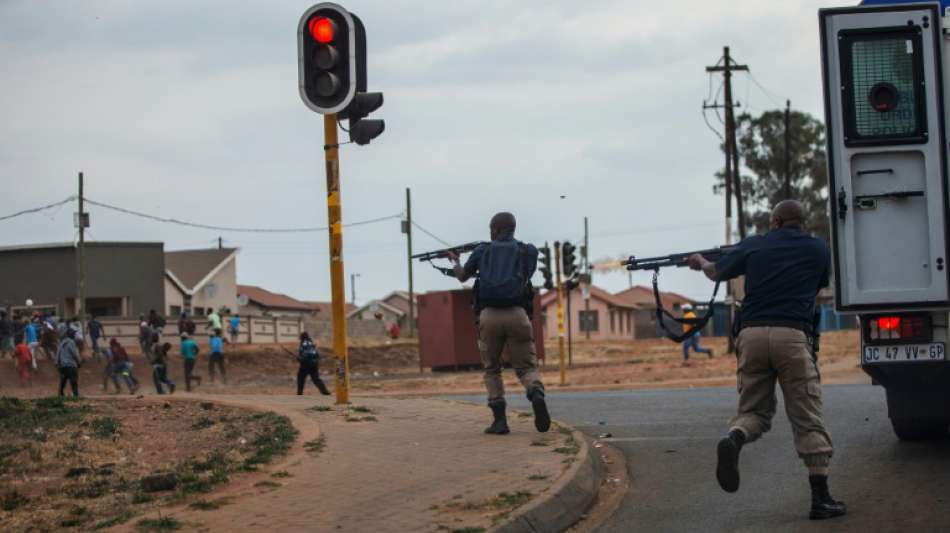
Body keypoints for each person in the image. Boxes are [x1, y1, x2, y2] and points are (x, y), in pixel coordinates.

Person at [687, 200, 845, 520]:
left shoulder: (754, 245)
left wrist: (702, 261)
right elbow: (817, 288)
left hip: (752, 335)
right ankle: (820, 498)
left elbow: (716, 272)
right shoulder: (818, 249)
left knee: (753, 412)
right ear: (801, 222)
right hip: (792, 336)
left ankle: (735, 438)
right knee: (807, 416)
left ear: (774, 221)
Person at [445, 211, 549, 435]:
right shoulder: (527, 251)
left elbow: (463, 276)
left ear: (495, 229)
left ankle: (500, 421)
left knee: (492, 369)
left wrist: (455, 261)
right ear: (514, 228)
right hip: (518, 315)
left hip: (489, 316)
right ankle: (536, 393)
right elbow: (526, 276)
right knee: (526, 367)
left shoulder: (482, 250)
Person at [55, 328, 82, 397]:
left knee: (63, 381)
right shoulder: (71, 342)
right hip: (71, 365)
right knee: (73, 381)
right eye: (73, 334)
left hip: (62, 366)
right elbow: (74, 353)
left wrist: (57, 363)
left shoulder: (61, 343)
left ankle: (60, 394)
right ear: (71, 335)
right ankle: (75, 395)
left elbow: (58, 353)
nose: (74, 335)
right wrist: (79, 362)